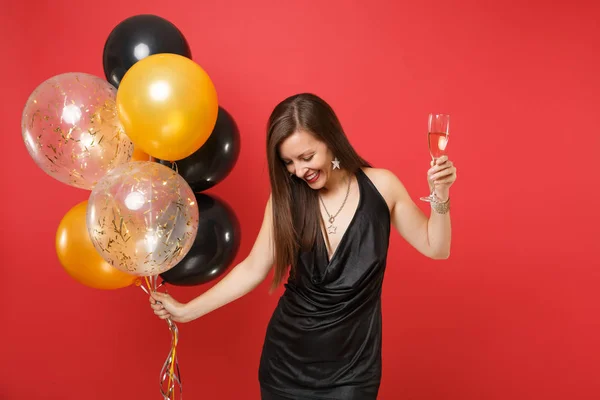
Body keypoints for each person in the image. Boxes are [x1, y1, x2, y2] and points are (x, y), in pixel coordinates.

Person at [150, 93, 457, 399]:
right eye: (288, 162)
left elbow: (437, 247)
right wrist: (188, 311)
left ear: (330, 139)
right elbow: (253, 269)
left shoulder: (383, 187)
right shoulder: (286, 200)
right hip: (285, 368)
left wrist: (440, 197)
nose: (298, 171)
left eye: (306, 157)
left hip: (352, 374)